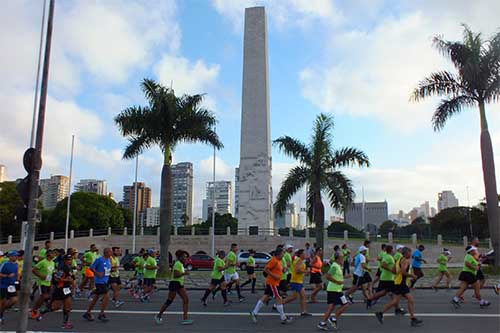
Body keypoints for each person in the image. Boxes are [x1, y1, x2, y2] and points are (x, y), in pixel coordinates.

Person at [375, 247, 423, 327]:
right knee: (410, 299)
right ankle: (413, 319)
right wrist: (412, 275)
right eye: (410, 253)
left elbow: (394, 270)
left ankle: (380, 313)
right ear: (406, 253)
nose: (411, 254)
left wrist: (398, 275)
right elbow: (403, 272)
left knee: (395, 301)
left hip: (397, 282)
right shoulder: (405, 260)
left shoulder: (398, 259)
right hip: (401, 283)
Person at [249, 247, 293, 325]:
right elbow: (266, 269)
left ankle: (254, 312)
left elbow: (277, 269)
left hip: (274, 283)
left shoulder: (278, 261)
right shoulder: (274, 260)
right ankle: (283, 318)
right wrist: (274, 276)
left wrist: (283, 270)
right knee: (278, 298)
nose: (284, 254)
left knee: (265, 297)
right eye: (283, 253)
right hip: (273, 283)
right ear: (279, 254)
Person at [37, 254, 76, 329]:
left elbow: (72, 278)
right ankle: (43, 312)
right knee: (56, 307)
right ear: (64, 261)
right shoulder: (62, 269)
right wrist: (66, 280)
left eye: (70, 259)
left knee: (67, 307)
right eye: (68, 260)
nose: (69, 261)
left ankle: (65, 323)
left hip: (67, 289)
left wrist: (73, 286)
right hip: (60, 289)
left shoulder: (70, 268)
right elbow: (56, 278)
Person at [155, 250, 193, 325]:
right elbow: (176, 275)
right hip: (174, 284)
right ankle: (158, 315)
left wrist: (183, 272)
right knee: (169, 301)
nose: (186, 258)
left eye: (186, 257)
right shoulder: (178, 264)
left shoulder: (180, 264)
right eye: (184, 257)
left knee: (186, 300)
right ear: (180, 257)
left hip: (179, 284)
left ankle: (185, 319)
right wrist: (184, 273)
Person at [317, 251, 350, 331]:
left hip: (334, 289)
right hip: (335, 290)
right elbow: (328, 276)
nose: (343, 260)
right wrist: (338, 282)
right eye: (342, 258)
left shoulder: (337, 266)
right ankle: (333, 319)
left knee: (331, 307)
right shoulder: (335, 266)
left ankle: (322, 323)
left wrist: (345, 277)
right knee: (345, 305)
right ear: (338, 259)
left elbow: (337, 276)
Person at [83, 247, 112, 322]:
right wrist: (97, 273)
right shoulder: (99, 260)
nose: (111, 253)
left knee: (96, 297)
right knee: (106, 295)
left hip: (105, 280)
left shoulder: (109, 260)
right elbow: (92, 267)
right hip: (99, 281)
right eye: (110, 252)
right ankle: (101, 314)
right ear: (106, 253)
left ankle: (88, 312)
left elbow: (107, 269)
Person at [283, 249, 310, 316]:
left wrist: (304, 272)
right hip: (296, 281)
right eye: (304, 254)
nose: (305, 255)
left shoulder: (298, 260)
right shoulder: (299, 260)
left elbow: (298, 270)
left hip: (297, 280)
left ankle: (303, 311)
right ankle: (279, 304)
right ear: (301, 255)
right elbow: (297, 270)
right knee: (299, 297)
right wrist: (306, 271)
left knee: (298, 297)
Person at [31, 249, 56, 319]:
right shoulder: (43, 262)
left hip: (48, 282)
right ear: (48, 254)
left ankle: (39, 308)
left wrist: (51, 283)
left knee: (46, 297)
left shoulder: (52, 263)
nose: (54, 255)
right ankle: (34, 310)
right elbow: (34, 270)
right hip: (42, 282)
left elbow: (51, 273)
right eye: (52, 253)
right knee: (43, 296)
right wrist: (41, 276)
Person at [0, 251, 19, 325]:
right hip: (3, 285)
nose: (16, 257)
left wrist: (17, 279)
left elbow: (16, 273)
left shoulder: (16, 265)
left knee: (14, 300)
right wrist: (7, 276)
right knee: (3, 302)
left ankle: (2, 310)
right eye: (15, 256)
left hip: (12, 286)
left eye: (17, 256)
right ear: (10, 256)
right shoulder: (5, 264)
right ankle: (1, 315)